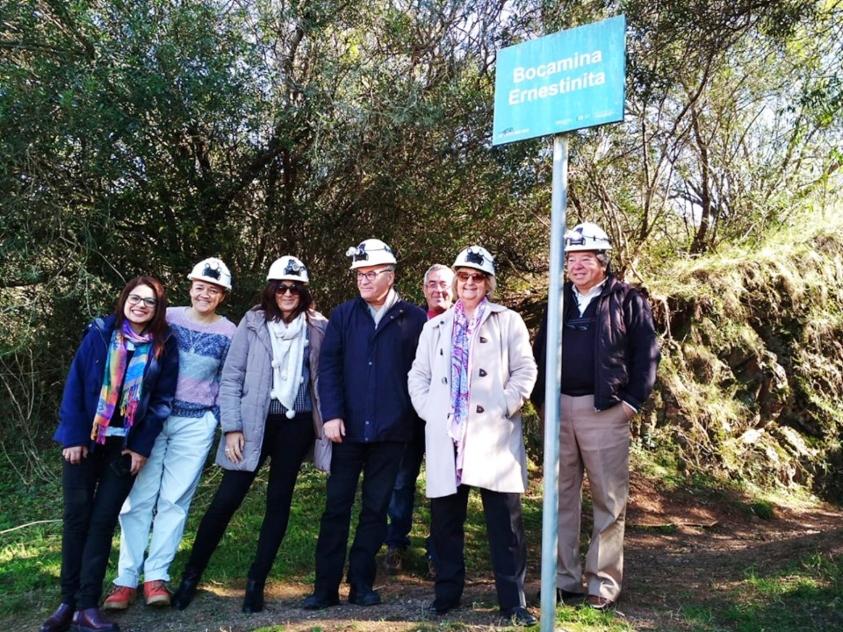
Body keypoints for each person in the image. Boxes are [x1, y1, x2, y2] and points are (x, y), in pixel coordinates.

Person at [170, 256, 330, 613]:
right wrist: (232, 428)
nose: (287, 293)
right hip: (254, 423)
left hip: (297, 424)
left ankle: (256, 582)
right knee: (226, 500)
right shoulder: (253, 321)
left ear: (303, 292)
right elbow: (231, 377)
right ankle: (191, 577)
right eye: (281, 287)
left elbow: (327, 375)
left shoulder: (318, 326)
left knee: (279, 503)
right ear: (271, 289)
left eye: (295, 288)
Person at [531, 222, 660, 610]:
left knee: (608, 501)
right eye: (571, 258)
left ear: (603, 260)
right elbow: (539, 353)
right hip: (558, 410)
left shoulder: (628, 299)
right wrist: (540, 401)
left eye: (585, 258)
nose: (577, 265)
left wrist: (631, 404)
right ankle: (562, 579)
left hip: (605, 410)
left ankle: (601, 585)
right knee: (560, 498)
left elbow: (647, 356)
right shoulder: (558, 300)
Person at [407, 246, 538, 627]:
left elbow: (525, 370)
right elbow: (418, 376)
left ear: (488, 283)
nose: (468, 283)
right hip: (448, 435)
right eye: (463, 277)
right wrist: (430, 411)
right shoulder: (434, 326)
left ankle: (513, 603)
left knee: (505, 523)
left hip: (493, 435)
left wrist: (505, 405)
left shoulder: (507, 321)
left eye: (476, 277)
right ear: (455, 280)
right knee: (446, 521)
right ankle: (446, 596)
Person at [40, 277, 178, 632]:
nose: (141, 305)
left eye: (149, 301)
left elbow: (162, 402)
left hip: (124, 449)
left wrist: (140, 447)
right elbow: (74, 385)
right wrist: (72, 436)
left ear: (157, 308)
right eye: (136, 298)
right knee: (76, 520)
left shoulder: (164, 345)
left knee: (102, 524)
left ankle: (87, 606)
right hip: (85, 443)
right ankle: (66, 603)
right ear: (124, 300)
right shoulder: (100, 333)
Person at [103, 258, 236, 610]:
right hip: (151, 421)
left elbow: (229, 379)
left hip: (195, 424)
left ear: (222, 295)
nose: (205, 294)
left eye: (213, 290)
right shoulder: (168, 319)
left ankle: (156, 577)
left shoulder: (229, 332)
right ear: (190, 286)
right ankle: (125, 580)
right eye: (200, 287)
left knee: (174, 501)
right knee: (138, 499)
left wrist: (216, 419)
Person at [302, 239, 426, 610]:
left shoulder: (413, 318)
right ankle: (325, 588)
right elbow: (328, 367)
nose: (363, 280)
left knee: (376, 508)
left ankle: (361, 584)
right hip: (347, 430)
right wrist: (332, 415)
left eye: (370, 273)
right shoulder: (343, 315)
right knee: (336, 507)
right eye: (359, 274)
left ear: (390, 275)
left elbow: (422, 374)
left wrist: (408, 417)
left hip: (391, 433)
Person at [384, 263, 453, 575]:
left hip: (449, 420)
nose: (438, 290)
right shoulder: (410, 321)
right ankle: (396, 542)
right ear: (424, 289)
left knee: (445, 485)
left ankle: (438, 551)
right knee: (401, 482)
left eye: (444, 284)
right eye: (433, 285)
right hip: (410, 416)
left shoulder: (463, 322)